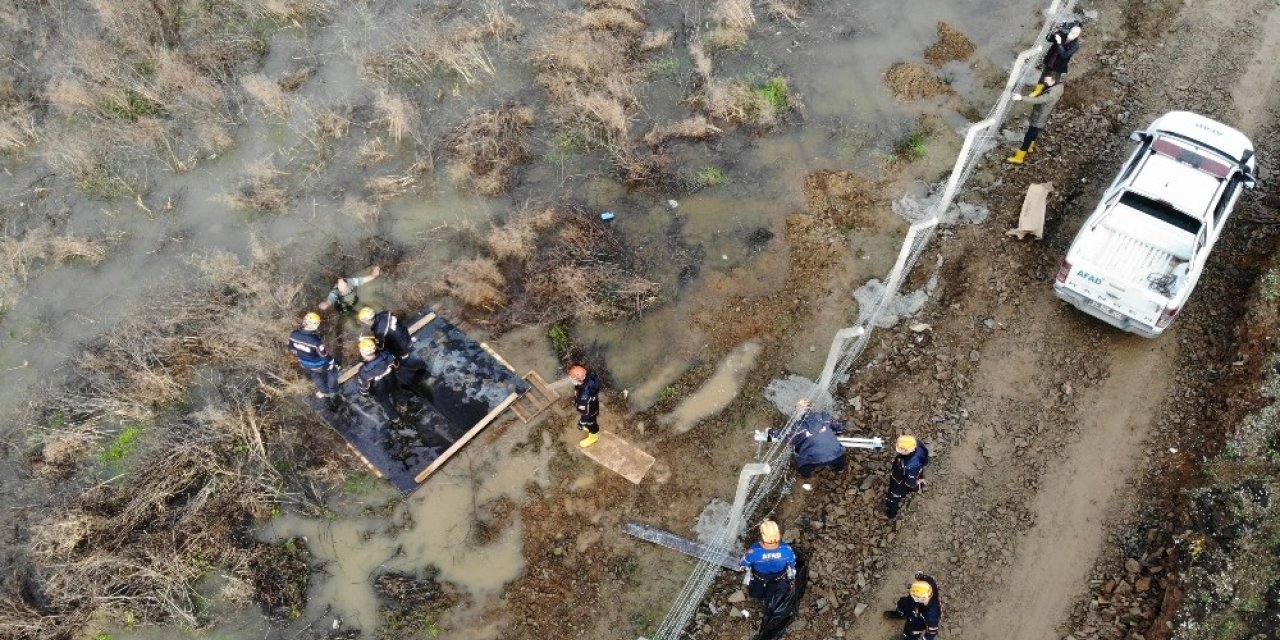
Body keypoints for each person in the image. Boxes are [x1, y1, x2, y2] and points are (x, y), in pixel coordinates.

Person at [765, 398, 847, 491]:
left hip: (816, 459)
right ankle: (840, 470)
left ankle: (806, 476)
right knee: (840, 458)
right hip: (837, 453)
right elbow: (837, 425)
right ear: (811, 407)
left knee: (802, 464)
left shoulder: (799, 427)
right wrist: (840, 432)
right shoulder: (823, 416)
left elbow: (786, 436)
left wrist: (770, 431)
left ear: (798, 411)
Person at [357, 306, 426, 386]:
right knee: (413, 357)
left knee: (409, 362)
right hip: (405, 337)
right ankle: (421, 366)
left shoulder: (379, 332)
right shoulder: (385, 314)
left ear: (367, 320)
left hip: (402, 349)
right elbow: (387, 331)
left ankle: (420, 373)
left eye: (364, 321)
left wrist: (366, 341)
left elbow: (380, 347)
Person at [1006, 71, 1064, 165]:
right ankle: (1030, 147)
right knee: (1035, 132)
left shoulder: (1051, 94)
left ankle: (1019, 156)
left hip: (1040, 115)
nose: (1044, 81)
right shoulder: (1059, 85)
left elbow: (1037, 100)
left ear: (1053, 80)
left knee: (1029, 135)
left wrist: (1021, 98)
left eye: (1047, 80)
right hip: (1045, 113)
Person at [288, 312, 341, 405]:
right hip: (319, 365)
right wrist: (332, 362)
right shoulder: (315, 341)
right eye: (317, 324)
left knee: (316, 375)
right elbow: (324, 356)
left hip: (304, 364)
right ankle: (333, 391)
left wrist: (302, 352)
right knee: (332, 371)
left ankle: (324, 392)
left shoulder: (293, 334)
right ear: (314, 325)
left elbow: (291, 348)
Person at [740, 520, 797, 604]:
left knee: (757, 588)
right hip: (778, 576)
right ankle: (768, 599)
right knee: (772, 588)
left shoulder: (754, 551)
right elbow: (791, 564)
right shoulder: (786, 549)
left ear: (763, 536)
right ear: (778, 534)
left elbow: (743, 564)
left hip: (759, 577)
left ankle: (756, 596)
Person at [356, 337, 406, 424]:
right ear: (375, 348)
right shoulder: (386, 355)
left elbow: (364, 387)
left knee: (385, 402)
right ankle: (403, 404)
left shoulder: (364, 371)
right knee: (396, 391)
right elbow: (396, 364)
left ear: (362, 353)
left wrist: (364, 393)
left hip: (379, 389)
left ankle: (395, 418)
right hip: (392, 381)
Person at [884, 573, 942, 640]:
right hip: (912, 604)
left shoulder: (932, 615)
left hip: (919, 620)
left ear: (921, 598)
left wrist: (925, 639)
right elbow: (925, 577)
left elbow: (932, 632)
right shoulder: (929, 584)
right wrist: (919, 576)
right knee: (902, 604)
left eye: (914, 595)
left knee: (911, 630)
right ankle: (900, 614)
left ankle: (908, 637)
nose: (911, 595)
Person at [1031, 21, 1082, 95]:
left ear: (1077, 35)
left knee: (1051, 82)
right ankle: (1036, 93)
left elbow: (1064, 55)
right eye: (1071, 32)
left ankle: (1046, 96)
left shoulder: (1075, 45)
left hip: (1058, 67)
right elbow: (1048, 38)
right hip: (1050, 62)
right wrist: (1053, 31)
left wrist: (1059, 43)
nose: (1070, 34)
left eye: (1074, 33)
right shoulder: (1063, 35)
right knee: (1042, 79)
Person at [884, 435, 930, 519]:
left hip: (900, 482)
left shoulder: (910, 465)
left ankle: (891, 511)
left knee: (894, 495)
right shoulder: (917, 444)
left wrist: (917, 483)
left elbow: (910, 482)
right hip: (914, 470)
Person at [569, 364, 602, 448]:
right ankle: (590, 426)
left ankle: (593, 437)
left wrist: (581, 423)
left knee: (591, 424)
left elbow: (585, 414)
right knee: (592, 418)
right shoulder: (591, 374)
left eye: (572, 377)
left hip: (589, 410)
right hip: (594, 403)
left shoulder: (583, 398)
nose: (570, 378)